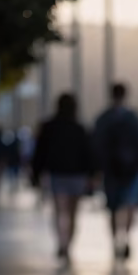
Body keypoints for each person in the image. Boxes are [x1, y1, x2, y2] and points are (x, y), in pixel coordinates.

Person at [31, 93, 95, 261]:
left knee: (59, 211)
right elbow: (88, 154)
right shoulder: (80, 128)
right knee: (73, 213)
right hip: (76, 176)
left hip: (57, 174)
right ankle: (68, 245)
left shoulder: (48, 127)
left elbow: (39, 153)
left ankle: (61, 241)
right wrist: (92, 175)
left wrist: (35, 174)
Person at [92, 82, 138, 260]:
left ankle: (116, 239)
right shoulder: (134, 117)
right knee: (130, 205)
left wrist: (96, 170)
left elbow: (96, 146)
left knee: (113, 207)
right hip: (131, 170)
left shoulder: (103, 118)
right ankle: (126, 236)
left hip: (111, 172)